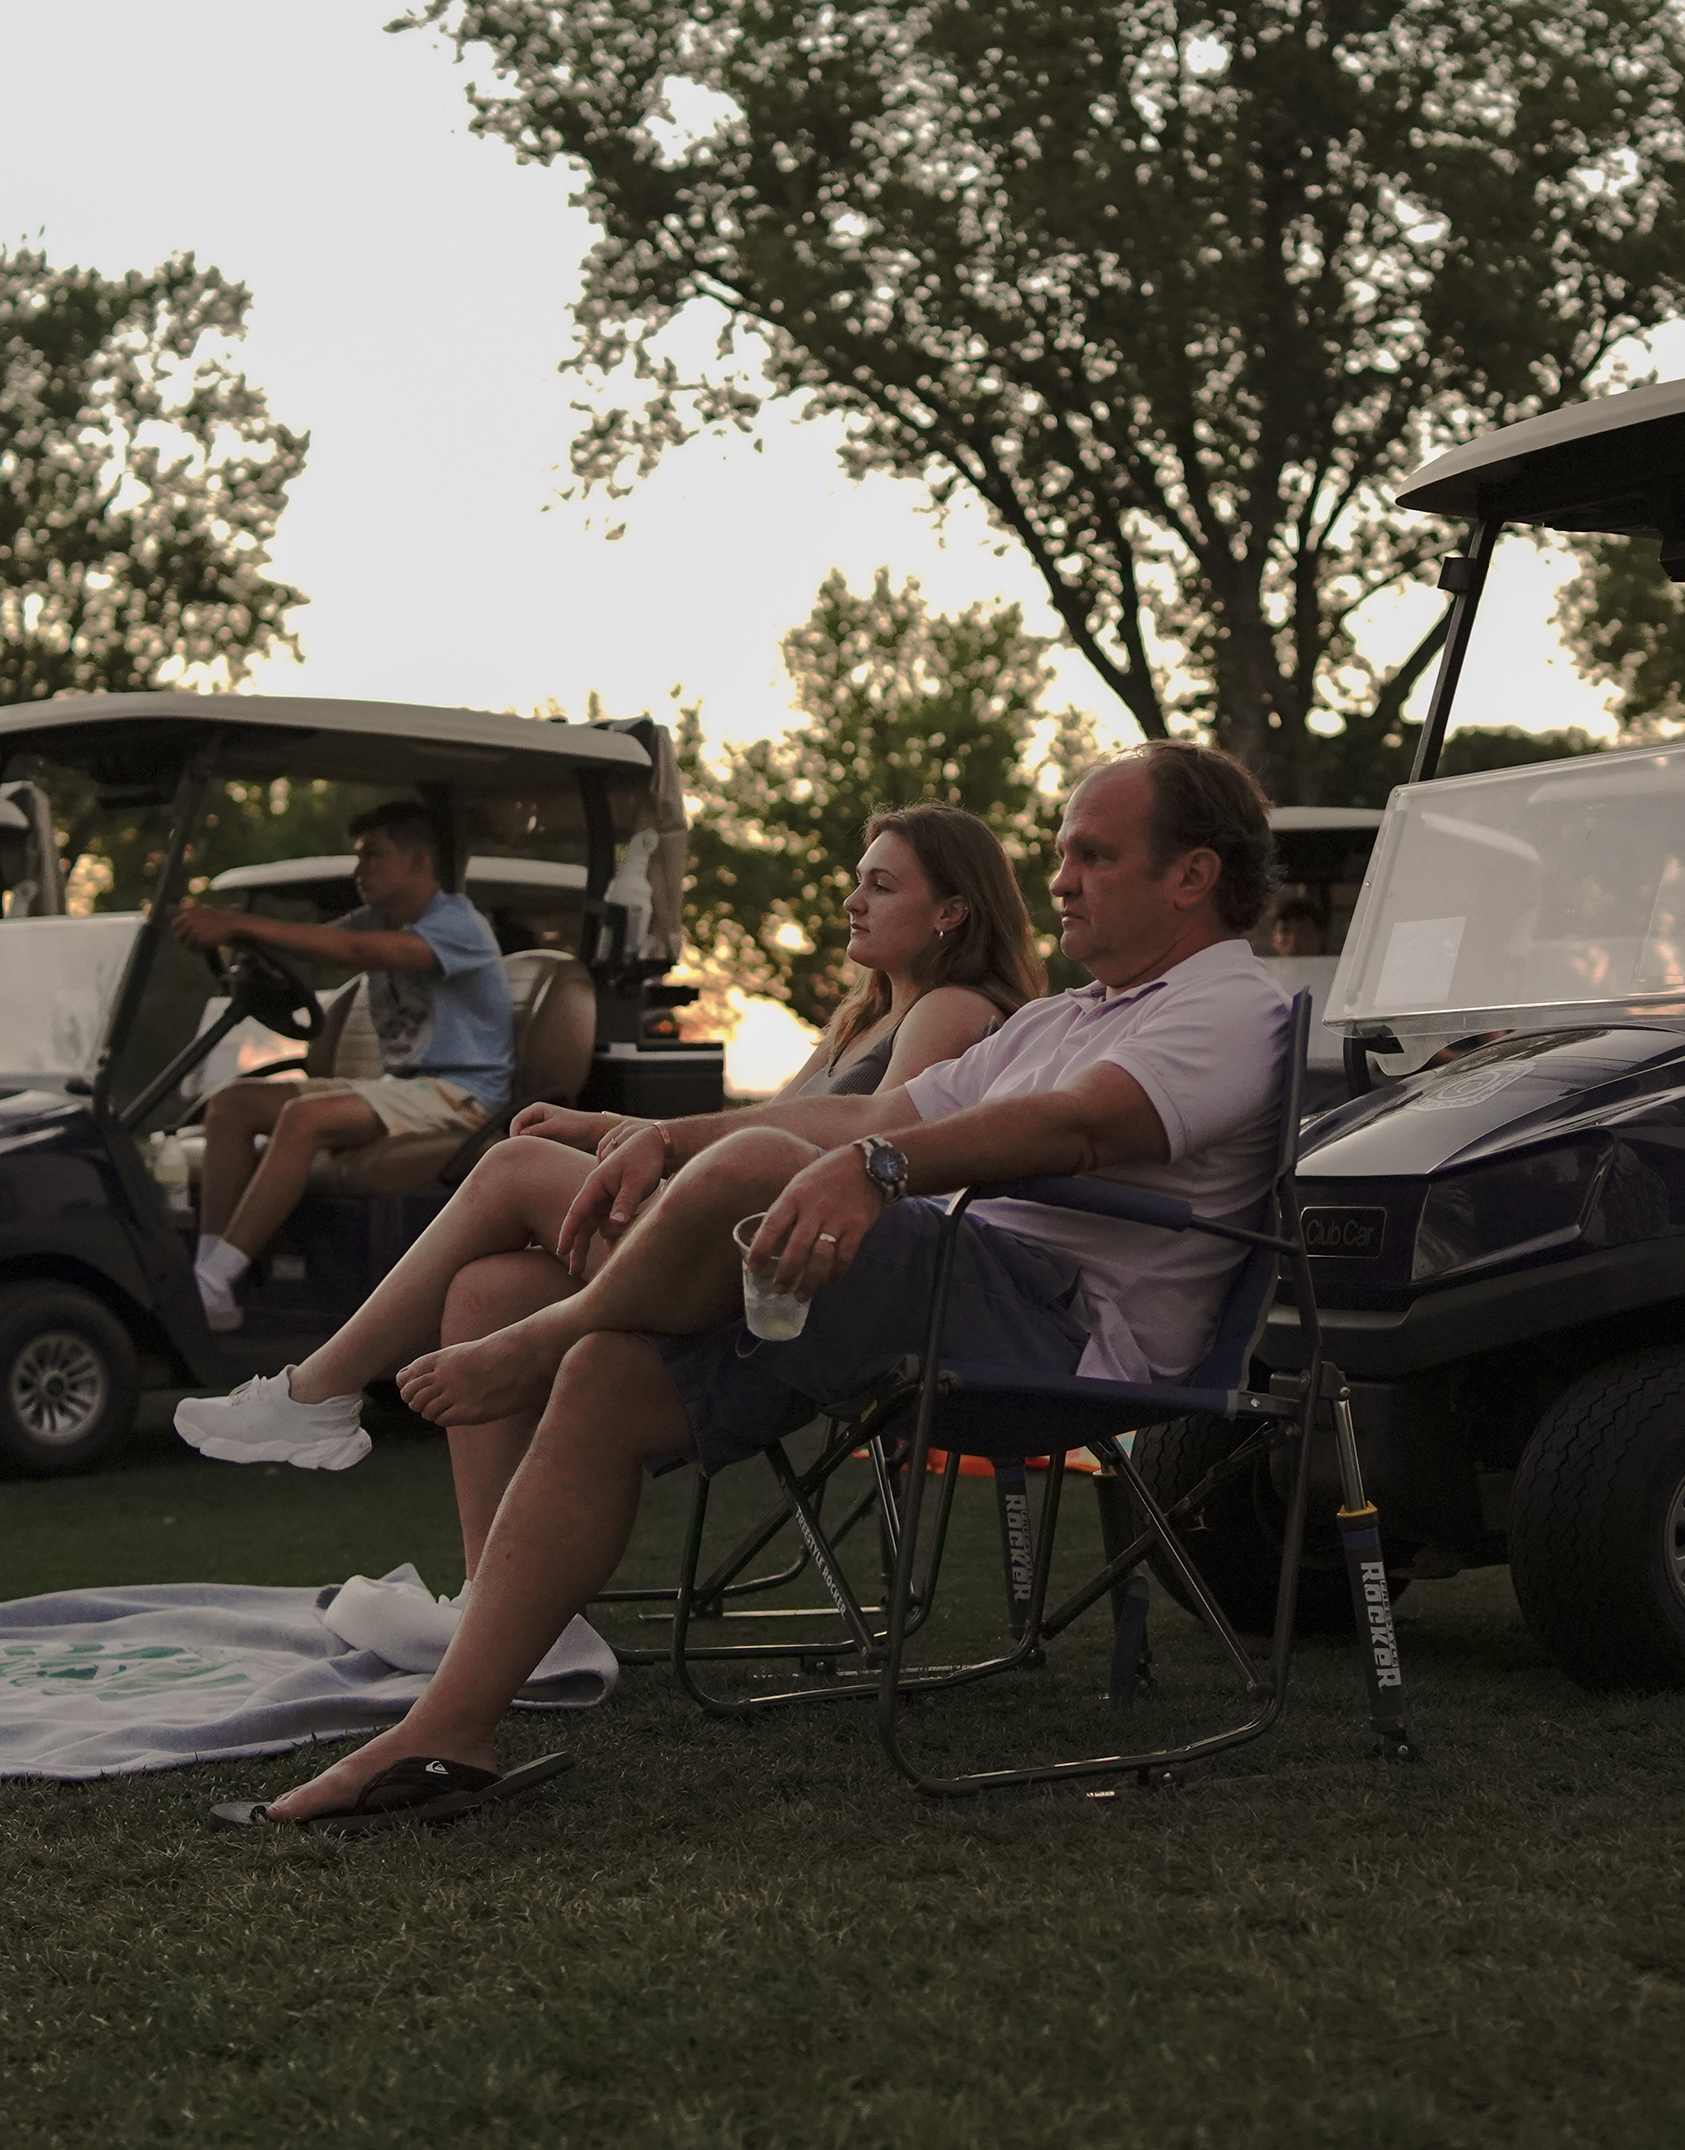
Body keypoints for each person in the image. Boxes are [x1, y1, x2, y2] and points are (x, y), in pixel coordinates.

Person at [215, 742, 1291, 1830]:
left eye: (1093, 856)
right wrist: (660, 1136)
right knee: (609, 1371)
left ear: (1192, 876)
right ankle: (448, 1734)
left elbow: (1079, 1126)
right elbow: (872, 1117)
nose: (1060, 879)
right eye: (1061, 854)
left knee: (755, 1176)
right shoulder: (1062, 1017)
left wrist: (869, 1173)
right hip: (929, 1283)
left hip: (1059, 1325)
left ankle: (545, 1331)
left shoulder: (1224, 1006)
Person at [175, 803, 1045, 1472]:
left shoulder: (954, 1008)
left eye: (881, 886)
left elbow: (869, 1141)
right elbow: (761, 1132)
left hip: (800, 1278)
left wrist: (647, 1138)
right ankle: (496, 1600)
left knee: (512, 1163)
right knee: (483, 1289)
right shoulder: (862, 1017)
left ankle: (317, 1391)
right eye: (859, 880)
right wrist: (610, 1128)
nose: (852, 900)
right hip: (730, 1245)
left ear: (952, 914)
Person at [171, 803, 512, 1332]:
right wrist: (243, 945)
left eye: (374, 856)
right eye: (359, 858)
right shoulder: (380, 919)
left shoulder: (457, 924)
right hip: (404, 1086)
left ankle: (216, 1278)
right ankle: (209, 1278)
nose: (360, 872)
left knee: (306, 1119)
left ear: (420, 861)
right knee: (233, 1104)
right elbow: (319, 944)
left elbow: (351, 950)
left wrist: (236, 921)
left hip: (462, 1094)